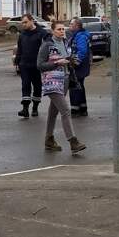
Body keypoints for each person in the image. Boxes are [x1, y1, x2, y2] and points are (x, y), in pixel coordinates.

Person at [37, 21, 86, 154]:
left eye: (63, 29)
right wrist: (56, 63)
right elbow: (40, 65)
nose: (62, 31)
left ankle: (49, 139)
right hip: (52, 82)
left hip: (64, 79)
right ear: (52, 31)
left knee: (53, 111)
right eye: (58, 29)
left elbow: (66, 58)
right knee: (65, 110)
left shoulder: (65, 43)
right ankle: (73, 141)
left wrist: (71, 61)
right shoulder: (47, 45)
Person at [13, 14, 48, 118]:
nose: (24, 24)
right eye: (22, 23)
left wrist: (45, 63)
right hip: (24, 64)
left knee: (37, 86)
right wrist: (17, 61)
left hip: (37, 65)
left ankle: (35, 108)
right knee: (25, 85)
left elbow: (48, 46)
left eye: (25, 22)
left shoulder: (41, 33)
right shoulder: (22, 34)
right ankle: (25, 109)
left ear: (32, 21)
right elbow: (20, 48)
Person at [68, 18, 92, 117]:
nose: (69, 26)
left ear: (77, 26)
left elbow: (82, 51)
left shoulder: (80, 36)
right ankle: (83, 108)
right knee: (80, 86)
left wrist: (74, 63)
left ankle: (75, 109)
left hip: (79, 66)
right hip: (82, 65)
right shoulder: (78, 35)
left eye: (71, 24)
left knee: (74, 86)